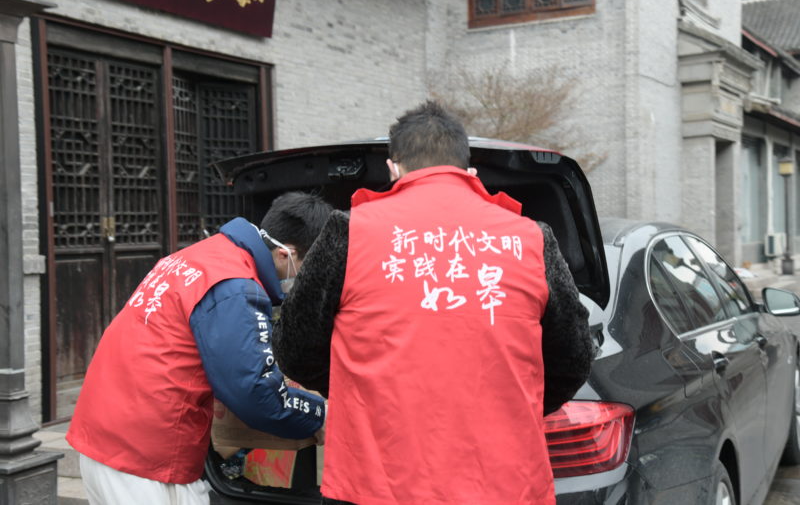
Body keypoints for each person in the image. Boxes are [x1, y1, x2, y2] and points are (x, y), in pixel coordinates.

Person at [273, 101, 593, 505]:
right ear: (469, 171)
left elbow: (294, 348)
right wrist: (513, 406)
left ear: (393, 169)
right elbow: (573, 358)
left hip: (376, 485)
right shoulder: (531, 238)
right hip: (505, 485)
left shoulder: (349, 233)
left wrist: (362, 394)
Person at [67, 192, 333, 505]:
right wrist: (321, 414)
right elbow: (254, 392)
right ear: (286, 254)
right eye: (307, 267)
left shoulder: (201, 256)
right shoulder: (234, 285)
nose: (304, 278)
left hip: (106, 435)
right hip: (146, 458)